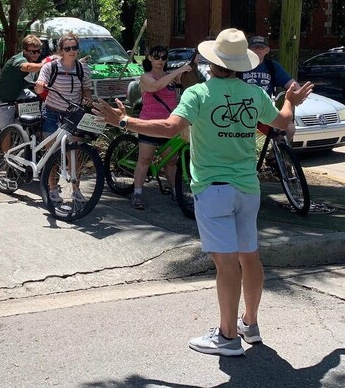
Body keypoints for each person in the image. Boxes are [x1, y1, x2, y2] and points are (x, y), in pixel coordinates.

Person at [93, 28, 313, 357]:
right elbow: (281, 123)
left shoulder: (197, 94)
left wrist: (124, 122)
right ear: (241, 64)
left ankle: (227, 337)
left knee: (226, 265)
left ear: (212, 62)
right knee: (249, 257)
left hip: (212, 190)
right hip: (247, 190)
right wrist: (291, 103)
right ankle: (249, 324)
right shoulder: (254, 95)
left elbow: (169, 128)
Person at [129, 45, 192, 210]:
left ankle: (175, 192)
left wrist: (186, 71)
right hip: (149, 124)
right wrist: (176, 72)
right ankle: (137, 193)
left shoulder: (170, 77)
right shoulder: (146, 77)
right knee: (145, 160)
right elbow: (156, 86)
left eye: (164, 58)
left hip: (168, 125)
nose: (160, 61)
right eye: (156, 57)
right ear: (149, 58)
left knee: (171, 161)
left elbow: (182, 90)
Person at [34, 32, 92, 203]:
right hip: (52, 112)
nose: (72, 51)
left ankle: (76, 189)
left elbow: (86, 89)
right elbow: (39, 88)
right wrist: (39, 86)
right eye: (68, 48)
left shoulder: (83, 69)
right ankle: (52, 189)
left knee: (75, 154)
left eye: (74, 47)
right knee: (51, 152)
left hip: (73, 115)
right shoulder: (50, 67)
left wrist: (87, 98)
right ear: (61, 50)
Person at [240, 35, 298, 139]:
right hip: (243, 109)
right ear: (248, 49)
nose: (258, 50)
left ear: (267, 50)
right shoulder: (240, 66)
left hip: (264, 109)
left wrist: (298, 92)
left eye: (261, 47)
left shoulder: (272, 66)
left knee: (289, 128)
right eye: (254, 47)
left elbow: (291, 84)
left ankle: (273, 153)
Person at [0, 35, 45, 130]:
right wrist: (45, 65)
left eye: (39, 51)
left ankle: (29, 134)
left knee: (37, 101)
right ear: (24, 51)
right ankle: (7, 140)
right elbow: (27, 67)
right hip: (3, 98)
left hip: (18, 92)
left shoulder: (32, 61)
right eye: (33, 52)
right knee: (6, 131)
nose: (37, 54)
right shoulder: (19, 59)